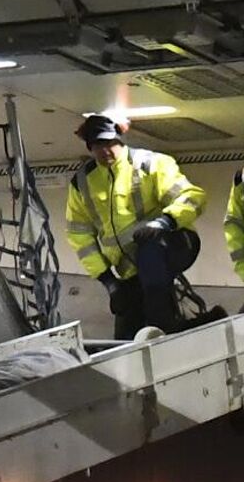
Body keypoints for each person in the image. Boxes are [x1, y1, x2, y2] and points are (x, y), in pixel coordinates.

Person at [64, 113, 205, 339]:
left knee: (151, 259)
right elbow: (79, 235)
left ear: (119, 140)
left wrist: (164, 222)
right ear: (90, 147)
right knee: (127, 326)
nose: (106, 150)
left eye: (110, 143)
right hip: (130, 267)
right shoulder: (82, 182)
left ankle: (165, 330)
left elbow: (192, 197)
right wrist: (109, 282)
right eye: (99, 145)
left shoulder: (149, 163)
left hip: (173, 244)